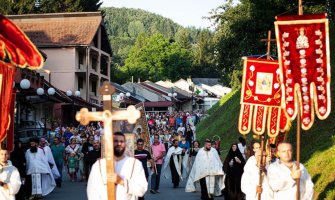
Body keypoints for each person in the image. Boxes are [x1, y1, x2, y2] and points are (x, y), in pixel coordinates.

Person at [87, 132, 147, 200]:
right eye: (115, 141)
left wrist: (122, 181)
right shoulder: (98, 165)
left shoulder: (135, 164)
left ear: (126, 144)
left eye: (122, 141)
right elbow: (92, 193)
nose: (119, 144)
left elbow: (142, 190)